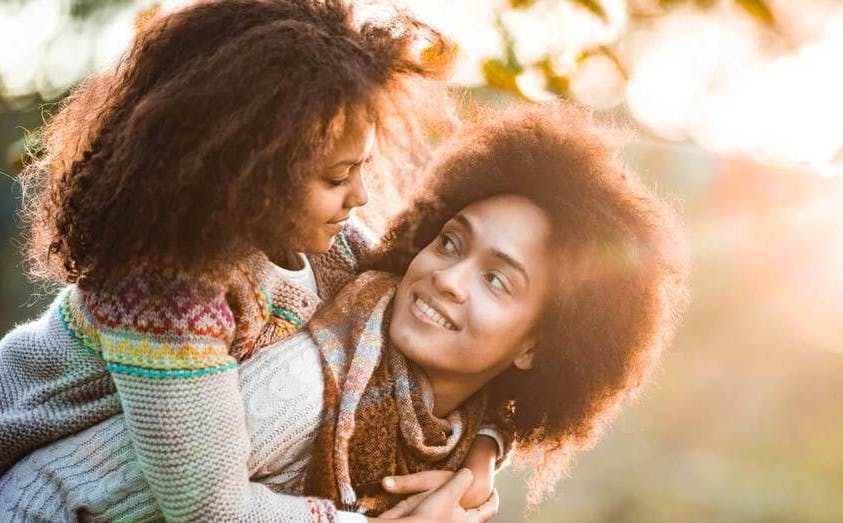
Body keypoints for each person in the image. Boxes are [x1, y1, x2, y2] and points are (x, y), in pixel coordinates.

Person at [0, 105, 690, 522]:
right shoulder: (298, 387)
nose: (447, 278)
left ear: (537, 345)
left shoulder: (438, 420)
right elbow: (59, 488)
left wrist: (480, 462)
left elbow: (499, 413)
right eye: (449, 241)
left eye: (497, 281)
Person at [0, 0, 501, 520]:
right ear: (251, 174)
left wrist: (482, 452)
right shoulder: (162, 293)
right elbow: (212, 511)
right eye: (337, 176)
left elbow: (441, 345)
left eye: (363, 167)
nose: (360, 197)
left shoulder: (333, 244)